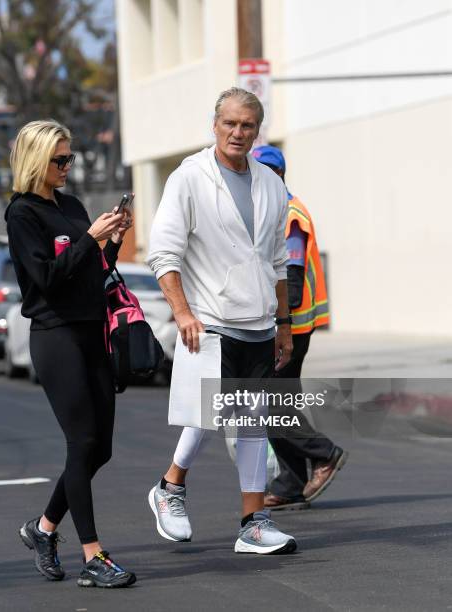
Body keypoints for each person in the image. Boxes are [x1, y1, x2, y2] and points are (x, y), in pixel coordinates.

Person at [146, 87, 298, 555]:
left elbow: (277, 261)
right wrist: (183, 312)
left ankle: (253, 522)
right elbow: (163, 253)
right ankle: (170, 488)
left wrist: (285, 324)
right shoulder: (189, 177)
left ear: (257, 130)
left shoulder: (270, 185)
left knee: (253, 423)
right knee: (207, 414)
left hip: (258, 323)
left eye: (247, 125)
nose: (238, 132)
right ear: (214, 125)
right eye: (230, 123)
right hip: (209, 320)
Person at [5, 119, 136, 588]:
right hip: (55, 334)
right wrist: (89, 239)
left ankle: (42, 529)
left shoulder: (73, 205)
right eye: (59, 160)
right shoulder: (22, 214)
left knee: (99, 448)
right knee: (81, 442)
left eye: (70, 158)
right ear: (37, 161)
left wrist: (111, 243)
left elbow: (92, 272)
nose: (66, 166)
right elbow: (46, 278)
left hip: (92, 329)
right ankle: (93, 556)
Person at [252, 145, 348, 510]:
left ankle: (325, 454)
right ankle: (291, 482)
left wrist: (281, 326)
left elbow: (291, 279)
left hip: (290, 325)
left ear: (276, 176)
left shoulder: (289, 215)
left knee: (272, 403)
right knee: (280, 399)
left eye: (260, 173)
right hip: (287, 323)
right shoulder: (275, 212)